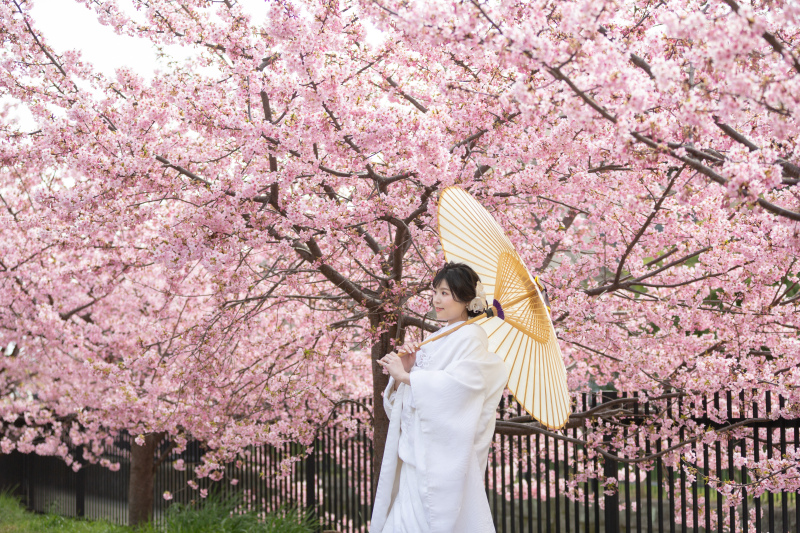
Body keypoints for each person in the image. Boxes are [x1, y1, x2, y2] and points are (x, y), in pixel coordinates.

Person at [371, 262, 509, 533]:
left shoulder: (470, 336)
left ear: (467, 299)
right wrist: (407, 369)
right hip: (415, 455)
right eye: (435, 291)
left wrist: (407, 377)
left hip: (437, 463)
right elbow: (408, 404)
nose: (436, 299)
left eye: (445, 293)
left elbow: (462, 389)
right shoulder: (440, 337)